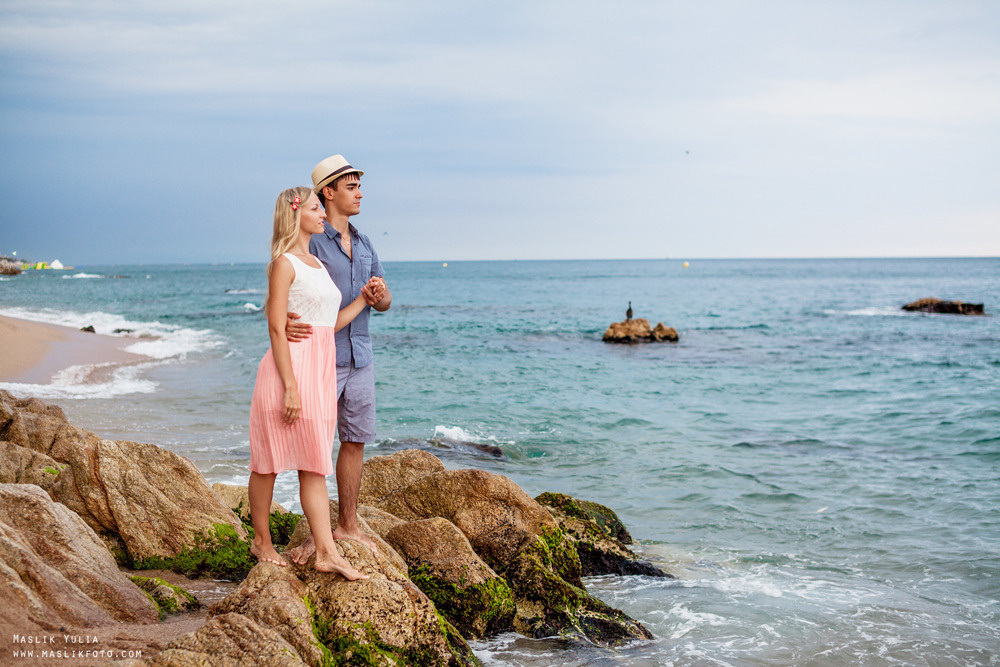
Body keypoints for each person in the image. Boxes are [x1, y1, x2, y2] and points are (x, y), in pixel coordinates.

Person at [247, 185, 383, 579]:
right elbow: (276, 327)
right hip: (288, 373)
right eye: (313, 208)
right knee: (268, 463)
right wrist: (290, 385)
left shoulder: (317, 264)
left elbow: (330, 323)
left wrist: (362, 300)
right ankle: (262, 542)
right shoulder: (283, 263)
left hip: (319, 373)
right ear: (296, 214)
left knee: (313, 465)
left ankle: (326, 551)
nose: (321, 213)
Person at [286, 155, 390, 564]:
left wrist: (380, 295)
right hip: (320, 357)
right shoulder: (310, 237)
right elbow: (284, 278)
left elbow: (384, 303)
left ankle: (348, 525)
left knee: (354, 440)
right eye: (352, 187)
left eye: (359, 187)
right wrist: (282, 321)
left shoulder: (365, 243)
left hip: (360, 355)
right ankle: (318, 536)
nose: (360, 193)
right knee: (315, 446)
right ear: (328, 193)